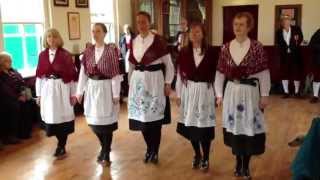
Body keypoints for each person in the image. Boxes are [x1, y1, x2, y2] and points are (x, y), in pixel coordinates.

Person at [215, 12, 271, 179]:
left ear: (249, 27)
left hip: (250, 93)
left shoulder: (256, 47)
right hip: (232, 92)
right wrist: (219, 94)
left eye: (241, 24)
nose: (237, 27)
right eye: (235, 24)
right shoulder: (225, 48)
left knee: (249, 128)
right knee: (236, 129)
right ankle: (238, 162)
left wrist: (265, 94)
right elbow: (219, 73)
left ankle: (245, 165)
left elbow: (264, 73)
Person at [128, 11, 174, 164]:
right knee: (141, 119)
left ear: (149, 22)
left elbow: (169, 65)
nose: (141, 25)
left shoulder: (158, 41)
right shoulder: (133, 41)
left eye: (144, 22)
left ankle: (155, 151)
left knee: (154, 120)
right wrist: (130, 84)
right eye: (138, 22)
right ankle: (149, 148)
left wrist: (168, 83)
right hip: (138, 82)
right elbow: (131, 65)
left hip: (155, 82)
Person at [76, 23, 122, 166]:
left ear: (104, 33)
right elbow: (83, 74)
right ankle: (104, 148)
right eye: (93, 31)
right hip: (92, 88)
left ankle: (106, 153)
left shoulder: (111, 51)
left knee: (107, 124)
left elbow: (115, 75)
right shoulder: (88, 51)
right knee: (95, 124)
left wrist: (116, 94)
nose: (95, 34)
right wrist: (79, 91)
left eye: (98, 31)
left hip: (106, 88)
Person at [175, 22, 217, 171]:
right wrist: (178, 94)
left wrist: (218, 95)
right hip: (189, 91)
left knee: (204, 128)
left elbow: (217, 75)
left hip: (205, 91)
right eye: (192, 32)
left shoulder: (212, 52)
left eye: (197, 32)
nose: (194, 34)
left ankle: (206, 157)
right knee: (191, 127)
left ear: (203, 34)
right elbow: (180, 76)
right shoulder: (184, 52)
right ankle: (197, 154)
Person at [36, 28, 78, 159]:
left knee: (62, 118)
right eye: (49, 37)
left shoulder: (65, 55)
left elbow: (72, 77)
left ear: (58, 39)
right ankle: (59, 142)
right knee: (52, 118)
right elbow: (39, 76)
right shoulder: (42, 55)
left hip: (62, 88)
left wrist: (73, 94)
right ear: (46, 39)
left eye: (54, 37)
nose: (51, 39)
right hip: (48, 89)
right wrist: (39, 94)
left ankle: (61, 145)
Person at [275, 15, 304, 98]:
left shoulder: (296, 29)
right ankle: (286, 92)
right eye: (283, 20)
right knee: (284, 73)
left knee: (296, 73)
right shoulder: (278, 32)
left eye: (287, 19)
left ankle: (297, 92)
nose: (285, 21)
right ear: (281, 22)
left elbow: (301, 38)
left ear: (290, 21)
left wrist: (293, 46)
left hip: (295, 54)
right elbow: (279, 43)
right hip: (284, 56)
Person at [309, 28, 320, 103]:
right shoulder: (318, 32)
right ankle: (315, 96)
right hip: (318, 59)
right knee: (317, 77)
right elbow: (311, 44)